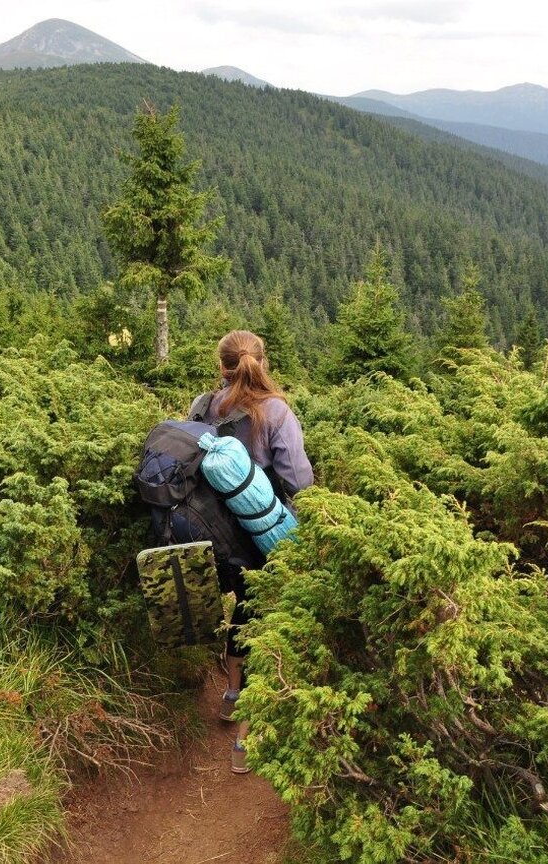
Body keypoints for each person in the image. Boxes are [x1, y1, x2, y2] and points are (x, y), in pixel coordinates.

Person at [189, 329, 313, 773]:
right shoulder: (275, 411)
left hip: (209, 536)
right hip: (258, 537)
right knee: (261, 616)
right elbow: (299, 482)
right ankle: (244, 741)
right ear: (263, 363)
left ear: (221, 365)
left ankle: (230, 697)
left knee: (240, 608)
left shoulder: (202, 406)